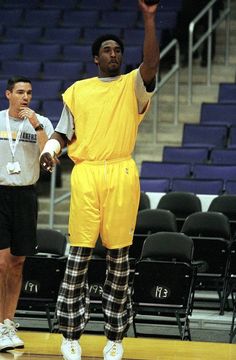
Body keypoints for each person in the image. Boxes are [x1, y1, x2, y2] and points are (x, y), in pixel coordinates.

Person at [39, 1, 160, 359]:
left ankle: (115, 337)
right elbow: (62, 132)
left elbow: (151, 64)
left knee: (119, 261)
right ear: (96, 58)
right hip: (87, 173)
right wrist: (50, 150)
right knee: (77, 257)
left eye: (118, 50)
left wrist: (149, 20)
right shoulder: (78, 90)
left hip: (121, 172)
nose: (113, 54)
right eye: (107, 50)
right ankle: (71, 333)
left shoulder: (132, 85)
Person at [0, 76, 54, 352]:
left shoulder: (41, 123)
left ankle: (8, 323)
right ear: (8, 94)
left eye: (29, 93)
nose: (25, 97)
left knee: (18, 262)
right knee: (1, 262)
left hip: (25, 195)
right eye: (20, 92)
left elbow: (50, 160)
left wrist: (37, 126)